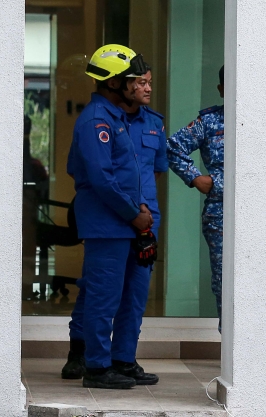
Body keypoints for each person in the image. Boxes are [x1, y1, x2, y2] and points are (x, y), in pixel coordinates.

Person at [167, 66, 266, 359]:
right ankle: (238, 349)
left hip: (265, 212)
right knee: (226, 282)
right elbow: (172, 148)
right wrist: (196, 178)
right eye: (230, 87)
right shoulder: (209, 122)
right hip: (222, 213)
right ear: (221, 90)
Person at [62, 58, 166, 385]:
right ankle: (95, 366)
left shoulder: (121, 118)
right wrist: (135, 215)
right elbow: (102, 179)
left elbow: (143, 171)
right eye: (134, 80)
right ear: (113, 83)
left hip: (135, 221)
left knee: (133, 295)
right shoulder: (96, 120)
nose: (142, 86)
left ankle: (122, 360)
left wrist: (143, 217)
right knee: (103, 296)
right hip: (110, 223)